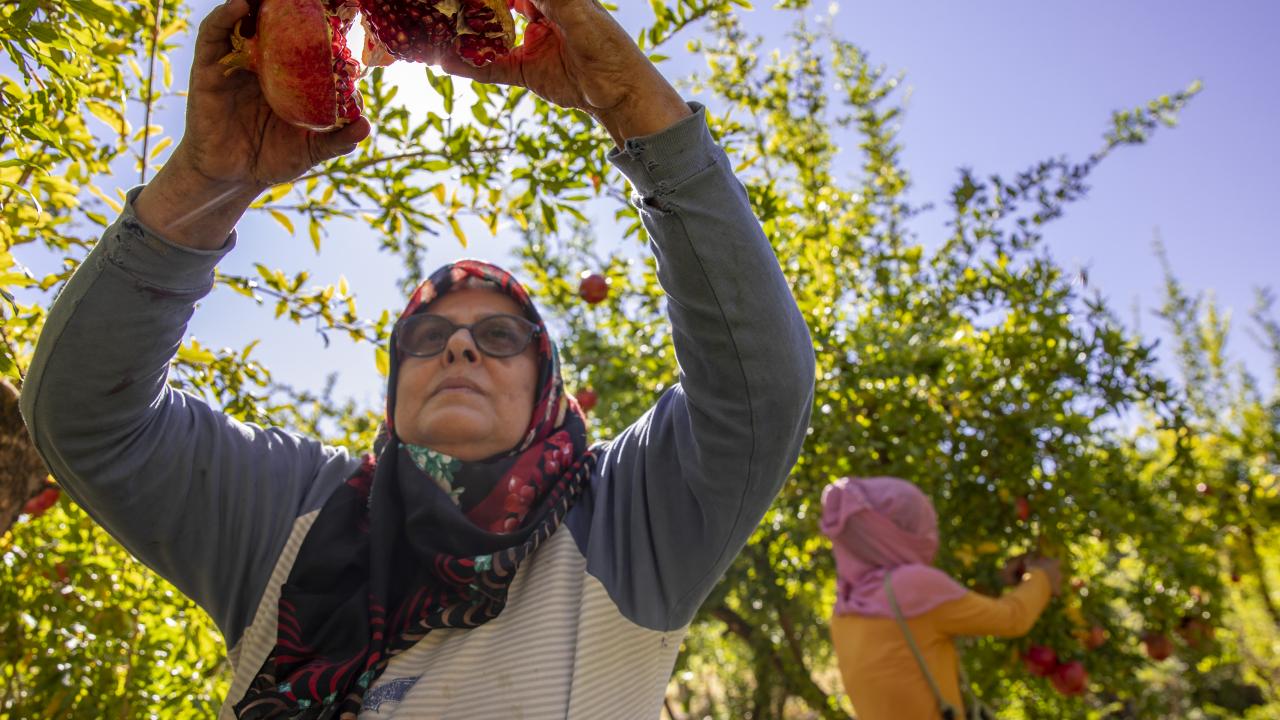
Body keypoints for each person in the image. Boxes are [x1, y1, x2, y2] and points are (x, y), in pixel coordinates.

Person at [18, 0, 816, 716]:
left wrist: (631, 102)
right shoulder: (291, 515)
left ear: (549, 387)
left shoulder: (628, 520)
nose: (459, 344)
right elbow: (84, 418)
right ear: (394, 391)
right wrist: (205, 180)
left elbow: (759, 391)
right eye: (426, 339)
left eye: (499, 337)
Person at [821, 476, 1061, 720]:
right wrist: (1042, 576)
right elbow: (1012, 619)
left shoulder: (845, 608)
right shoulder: (912, 585)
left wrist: (997, 581)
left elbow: (929, 627)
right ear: (895, 529)